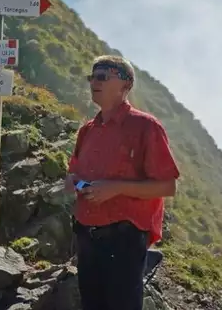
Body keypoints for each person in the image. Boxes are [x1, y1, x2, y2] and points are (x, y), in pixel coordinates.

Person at [65, 55, 180, 310]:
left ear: (126, 85)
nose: (94, 81)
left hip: (123, 239)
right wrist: (72, 181)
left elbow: (167, 186)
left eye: (103, 76)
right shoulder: (87, 130)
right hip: (86, 235)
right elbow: (74, 171)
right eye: (92, 76)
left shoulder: (145, 127)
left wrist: (115, 188)